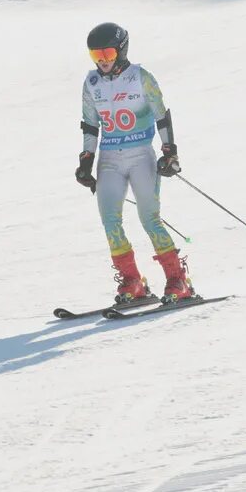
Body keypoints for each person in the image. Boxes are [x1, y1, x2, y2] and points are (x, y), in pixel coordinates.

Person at [74, 22, 195, 303]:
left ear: (121, 51)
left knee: (149, 219)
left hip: (141, 155)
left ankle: (178, 279)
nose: (102, 62)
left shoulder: (141, 77)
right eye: (96, 56)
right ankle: (132, 281)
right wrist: (86, 162)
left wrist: (170, 153)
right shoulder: (91, 83)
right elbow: (90, 125)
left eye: (107, 54)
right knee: (110, 221)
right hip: (110, 159)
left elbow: (161, 115)